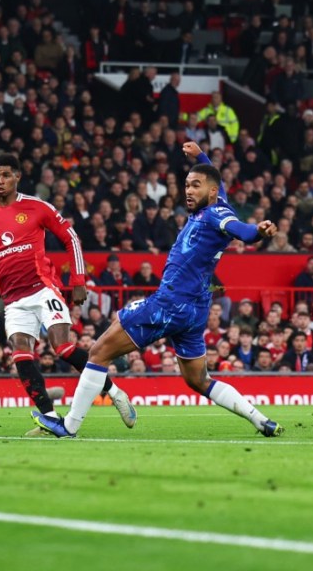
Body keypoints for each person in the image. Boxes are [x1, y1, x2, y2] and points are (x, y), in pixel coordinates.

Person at [33, 142, 284, 438]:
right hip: (195, 310)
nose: (188, 191)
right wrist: (200, 155)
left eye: (196, 186)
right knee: (198, 380)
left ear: (212, 191)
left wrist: (258, 231)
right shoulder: (218, 201)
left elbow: (242, 230)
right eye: (187, 184)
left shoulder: (218, 216)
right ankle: (262, 421)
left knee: (98, 352)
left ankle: (69, 426)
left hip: (171, 304)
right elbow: (216, 181)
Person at [0, 153, 136, 433]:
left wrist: (78, 280)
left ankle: (115, 392)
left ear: (17, 177)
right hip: (13, 300)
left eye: (6, 175)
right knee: (21, 355)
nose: (0, 181)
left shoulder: (37, 207)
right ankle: (49, 417)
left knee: (62, 347)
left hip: (42, 289)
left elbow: (70, 237)